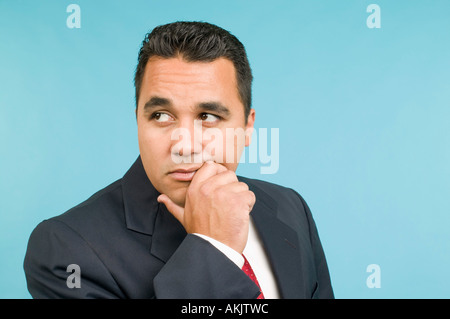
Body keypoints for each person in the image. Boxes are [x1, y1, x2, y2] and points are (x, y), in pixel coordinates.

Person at [23, 21, 334, 299]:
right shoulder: (65, 250)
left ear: (247, 127)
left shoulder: (290, 208)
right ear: (138, 121)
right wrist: (214, 249)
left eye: (208, 116)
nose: (184, 145)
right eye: (160, 115)